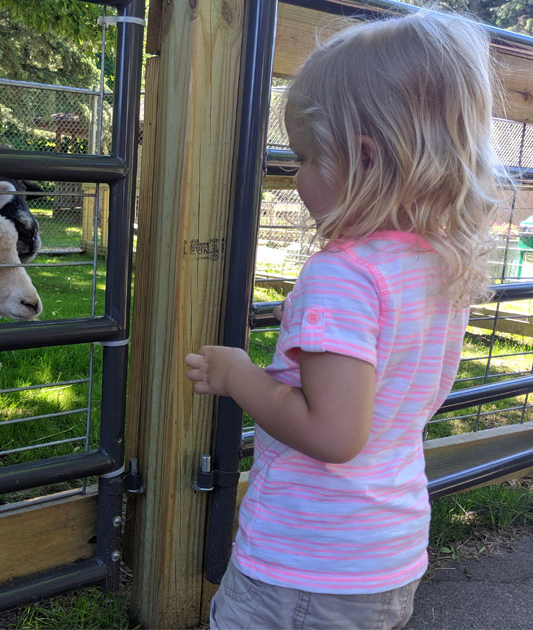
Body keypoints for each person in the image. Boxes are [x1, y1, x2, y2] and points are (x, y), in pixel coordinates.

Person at [186, 9, 509, 630]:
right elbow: (389, 377)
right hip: (385, 553)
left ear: (363, 158)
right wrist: (312, 329)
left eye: (306, 157)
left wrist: (239, 377)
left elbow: (334, 435)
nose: (297, 177)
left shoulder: (342, 275)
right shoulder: (434, 263)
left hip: (304, 562)